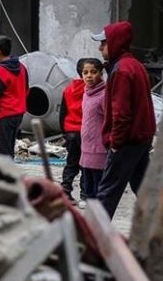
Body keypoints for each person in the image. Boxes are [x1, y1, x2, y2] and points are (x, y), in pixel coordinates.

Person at [92, 21, 156, 218]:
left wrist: (115, 143)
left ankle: (93, 234)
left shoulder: (122, 70)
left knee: (107, 192)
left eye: (104, 43)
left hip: (127, 141)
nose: (100, 48)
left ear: (115, 42)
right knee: (144, 190)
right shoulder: (134, 65)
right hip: (141, 139)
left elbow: (121, 113)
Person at [0, 35, 28, 160]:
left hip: (4, 115)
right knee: (9, 147)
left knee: (0, 149)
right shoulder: (22, 67)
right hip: (18, 114)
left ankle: (3, 172)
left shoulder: (0, 71)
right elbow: (26, 89)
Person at [79, 58, 107, 202]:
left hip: (99, 150)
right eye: (85, 72)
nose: (89, 76)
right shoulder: (86, 94)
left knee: (99, 191)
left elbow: (111, 121)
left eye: (93, 72)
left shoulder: (104, 95)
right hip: (86, 148)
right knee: (88, 191)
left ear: (101, 74)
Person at [59, 59, 87, 200]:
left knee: (71, 163)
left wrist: (64, 133)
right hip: (85, 132)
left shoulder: (68, 89)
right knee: (86, 165)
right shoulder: (92, 90)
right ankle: (85, 194)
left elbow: (62, 113)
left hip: (70, 131)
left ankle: (65, 190)